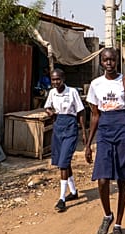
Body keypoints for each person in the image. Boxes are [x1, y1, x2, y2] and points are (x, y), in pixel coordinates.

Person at [85, 48, 125, 234]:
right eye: (105, 60)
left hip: (123, 126)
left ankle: (118, 224)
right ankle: (107, 215)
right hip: (105, 130)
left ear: (117, 61)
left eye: (112, 59)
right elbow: (95, 115)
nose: (109, 63)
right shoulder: (95, 84)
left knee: (123, 178)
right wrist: (89, 144)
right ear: (101, 62)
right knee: (102, 179)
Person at [43, 68, 86, 213]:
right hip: (58, 127)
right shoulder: (52, 93)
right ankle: (73, 192)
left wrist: (84, 133)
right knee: (63, 161)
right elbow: (46, 107)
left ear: (63, 79)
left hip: (70, 127)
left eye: (58, 79)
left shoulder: (72, 92)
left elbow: (81, 112)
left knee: (63, 163)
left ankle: (61, 198)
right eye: (53, 79)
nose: (55, 82)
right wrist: (51, 113)